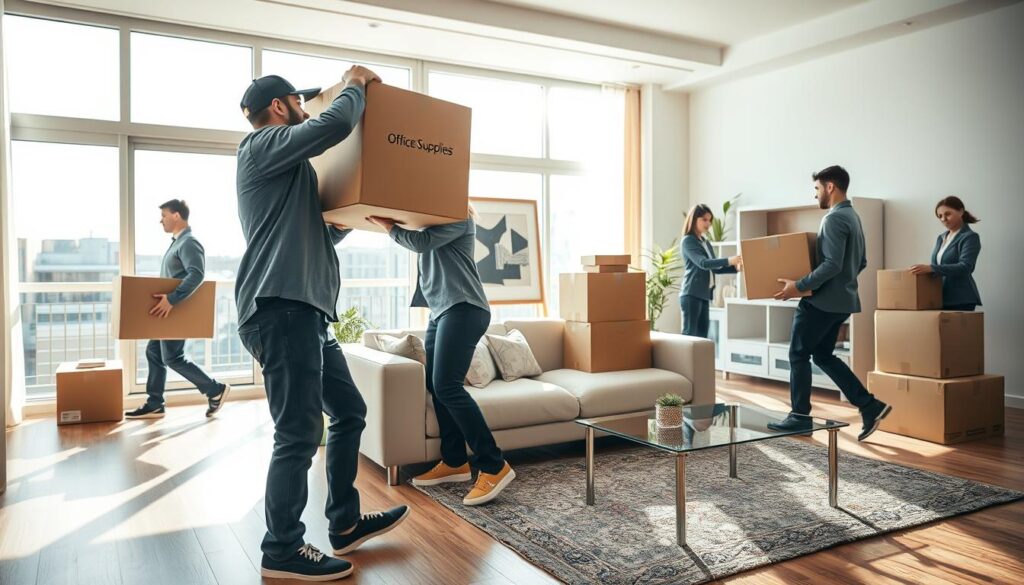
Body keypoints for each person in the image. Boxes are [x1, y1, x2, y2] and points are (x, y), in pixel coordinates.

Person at [235, 70, 408, 582]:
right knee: (298, 432)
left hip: (305, 311)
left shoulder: (288, 171)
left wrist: (346, 223)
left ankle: (345, 522)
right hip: (279, 308)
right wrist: (355, 85)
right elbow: (330, 127)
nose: (306, 109)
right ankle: (282, 548)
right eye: (299, 101)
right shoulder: (260, 146)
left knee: (349, 411)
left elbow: (315, 238)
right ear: (280, 107)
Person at [367, 210, 515, 506]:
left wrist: (390, 227)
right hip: (442, 311)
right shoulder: (428, 219)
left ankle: (493, 465)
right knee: (436, 386)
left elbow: (421, 244)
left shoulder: (458, 218)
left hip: (465, 308)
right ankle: (455, 460)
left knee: (448, 386)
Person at [768, 165, 891, 442]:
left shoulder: (834, 219)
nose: (816, 195)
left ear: (830, 186)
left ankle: (799, 417)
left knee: (798, 354)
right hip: (843, 301)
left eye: (817, 189)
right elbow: (860, 262)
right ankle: (870, 406)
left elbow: (832, 264)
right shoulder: (853, 216)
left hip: (821, 303)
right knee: (823, 355)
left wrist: (797, 287)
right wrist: (842, 284)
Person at [125, 199, 231, 419]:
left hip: (174, 311)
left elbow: (197, 273)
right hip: (167, 313)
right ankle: (155, 402)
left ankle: (215, 389)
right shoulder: (177, 243)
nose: (160, 220)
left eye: (163, 215)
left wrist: (172, 299)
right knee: (153, 351)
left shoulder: (189, 243)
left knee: (173, 357)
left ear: (176, 216)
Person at [678, 204, 742, 338]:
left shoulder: (705, 242)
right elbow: (703, 263)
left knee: (702, 339)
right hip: (691, 294)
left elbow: (715, 269)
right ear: (694, 219)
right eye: (704, 219)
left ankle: (699, 360)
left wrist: (735, 268)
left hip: (704, 295)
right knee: (689, 337)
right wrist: (730, 260)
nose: (708, 223)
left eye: (710, 220)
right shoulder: (688, 241)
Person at [909, 196, 982, 311]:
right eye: (940, 216)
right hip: (939, 297)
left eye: (947, 214)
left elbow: (966, 267)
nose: (943, 219)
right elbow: (936, 267)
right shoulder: (941, 237)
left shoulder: (970, 237)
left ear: (961, 211)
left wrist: (932, 268)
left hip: (960, 299)